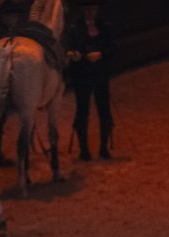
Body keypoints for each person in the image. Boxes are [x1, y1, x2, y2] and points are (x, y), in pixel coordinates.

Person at [65, 0, 114, 161]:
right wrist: (74, 55)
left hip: (100, 74)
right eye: (88, 9)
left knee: (104, 110)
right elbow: (69, 47)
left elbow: (112, 47)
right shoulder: (74, 28)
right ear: (83, 10)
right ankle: (84, 149)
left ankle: (103, 148)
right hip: (82, 75)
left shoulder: (104, 26)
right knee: (82, 111)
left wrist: (101, 54)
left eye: (93, 9)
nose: (91, 12)